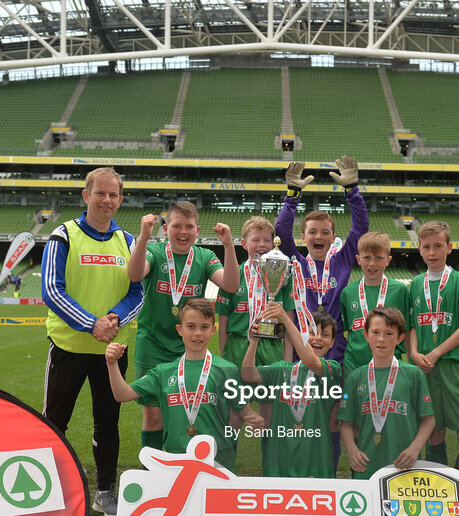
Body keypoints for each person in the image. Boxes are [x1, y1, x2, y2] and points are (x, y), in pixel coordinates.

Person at [41, 166, 144, 516]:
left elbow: (137, 292)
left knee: (107, 423)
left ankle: (104, 490)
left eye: (113, 194)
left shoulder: (128, 242)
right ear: (86, 196)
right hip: (69, 347)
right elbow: (52, 289)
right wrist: (90, 324)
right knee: (55, 422)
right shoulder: (63, 236)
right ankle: (51, 489)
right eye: (100, 193)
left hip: (112, 352)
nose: (107, 200)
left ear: (120, 199)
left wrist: (114, 318)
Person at [127, 202, 240, 455]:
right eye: (176, 225)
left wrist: (229, 246)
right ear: (165, 228)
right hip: (152, 345)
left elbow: (230, 285)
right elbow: (134, 275)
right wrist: (144, 237)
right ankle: (153, 471)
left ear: (197, 230)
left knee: (187, 412)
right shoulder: (154, 252)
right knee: (154, 415)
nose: (183, 231)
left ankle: (185, 468)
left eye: (189, 227)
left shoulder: (204, 256)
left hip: (189, 348)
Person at [105, 299, 264, 473]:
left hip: (219, 460)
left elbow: (247, 413)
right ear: (179, 330)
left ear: (213, 330)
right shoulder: (163, 372)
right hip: (177, 459)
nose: (197, 333)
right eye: (191, 326)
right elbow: (122, 395)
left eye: (204, 327)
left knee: (213, 501)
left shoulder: (227, 370)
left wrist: (255, 421)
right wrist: (112, 364)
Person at [276, 156, 369, 362]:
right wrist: (292, 197)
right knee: (300, 393)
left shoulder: (341, 261)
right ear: (303, 238)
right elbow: (281, 233)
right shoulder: (296, 263)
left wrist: (353, 191)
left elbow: (361, 229)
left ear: (333, 239)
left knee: (334, 393)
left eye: (325, 233)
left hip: (334, 346)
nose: (318, 237)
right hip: (302, 343)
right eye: (313, 232)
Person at [408, 221, 459, 465]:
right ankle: (438, 476)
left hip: (453, 366)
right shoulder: (416, 284)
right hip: (425, 368)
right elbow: (412, 326)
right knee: (433, 428)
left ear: (450, 248)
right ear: (419, 249)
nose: (432, 252)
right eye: (426, 247)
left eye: (438, 246)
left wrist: (436, 352)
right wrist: (415, 353)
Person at [241, 302, 341, 478]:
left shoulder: (332, 369)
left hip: (314, 458)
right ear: (303, 335)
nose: (318, 338)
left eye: (325, 335)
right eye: (312, 333)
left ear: (332, 342)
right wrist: (254, 341)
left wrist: (286, 320)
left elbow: (311, 361)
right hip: (280, 457)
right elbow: (248, 374)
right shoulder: (282, 369)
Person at [339, 306, 435, 480]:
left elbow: (429, 420)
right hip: (366, 467)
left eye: (389, 334)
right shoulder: (355, 377)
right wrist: (352, 451)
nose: (381, 339)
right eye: (375, 332)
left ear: (400, 338)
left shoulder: (414, 375)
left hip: (404, 466)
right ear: (366, 335)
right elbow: (345, 422)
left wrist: (414, 449)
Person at [217, 216, 292, 368]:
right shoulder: (232, 277)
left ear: (274, 244)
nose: (262, 245)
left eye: (267, 240)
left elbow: (289, 325)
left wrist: (287, 363)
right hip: (237, 348)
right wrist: (224, 361)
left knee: (270, 391)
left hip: (271, 346)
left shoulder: (284, 276)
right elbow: (223, 324)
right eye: (256, 240)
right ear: (244, 244)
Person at [340, 231, 410, 374]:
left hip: (390, 367)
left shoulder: (400, 290)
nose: (372, 263)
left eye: (379, 258)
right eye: (367, 257)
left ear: (388, 260)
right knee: (349, 398)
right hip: (354, 367)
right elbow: (347, 331)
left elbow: (407, 331)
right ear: (358, 259)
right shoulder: (348, 292)